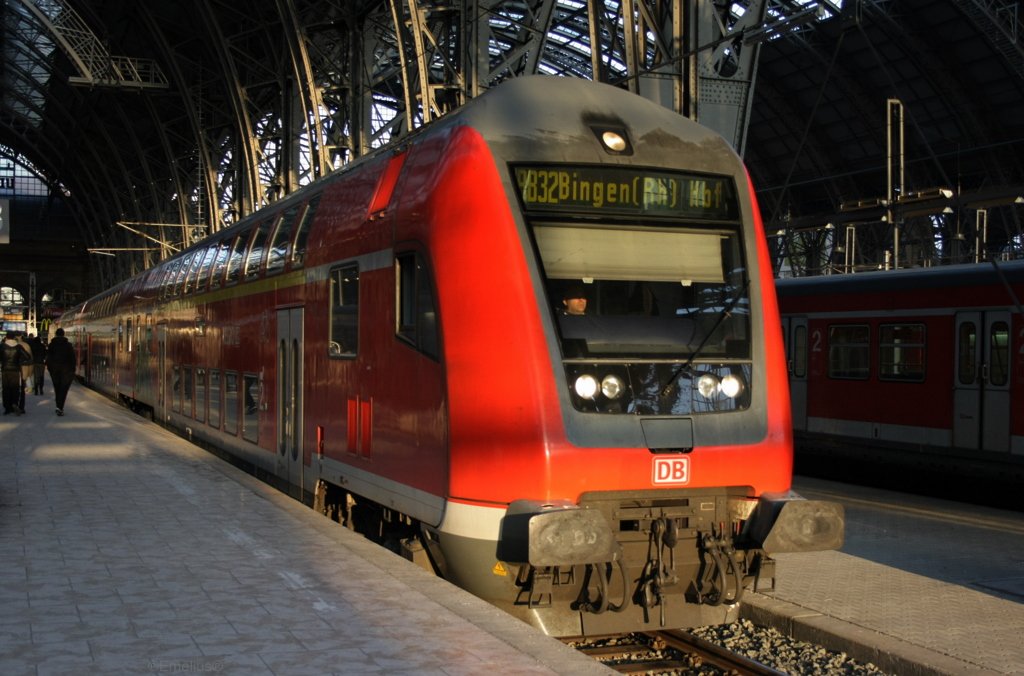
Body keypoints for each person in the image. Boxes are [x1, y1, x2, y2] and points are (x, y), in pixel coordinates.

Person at [46, 327, 77, 416]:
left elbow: (48, 358)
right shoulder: (68, 345)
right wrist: (72, 369)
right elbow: (72, 359)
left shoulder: (51, 345)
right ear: (63, 334)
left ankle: (58, 406)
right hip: (66, 371)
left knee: (57, 389)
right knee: (64, 389)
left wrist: (50, 368)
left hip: (54, 370)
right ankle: (60, 407)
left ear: (56, 334)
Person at [1, 331, 30, 415]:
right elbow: (27, 357)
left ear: (6, 337)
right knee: (15, 388)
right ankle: (14, 403)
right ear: (14, 338)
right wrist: (19, 361)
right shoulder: (18, 347)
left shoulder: (2, 346)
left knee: (6, 389)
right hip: (16, 370)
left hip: (5, 370)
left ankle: (7, 408)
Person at [14, 332, 33, 413]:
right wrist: (30, 372)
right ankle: (21, 406)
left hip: (15, 369)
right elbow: (30, 358)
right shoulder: (26, 345)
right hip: (25, 368)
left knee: (15, 388)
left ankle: (14, 404)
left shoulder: (13, 345)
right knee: (22, 388)